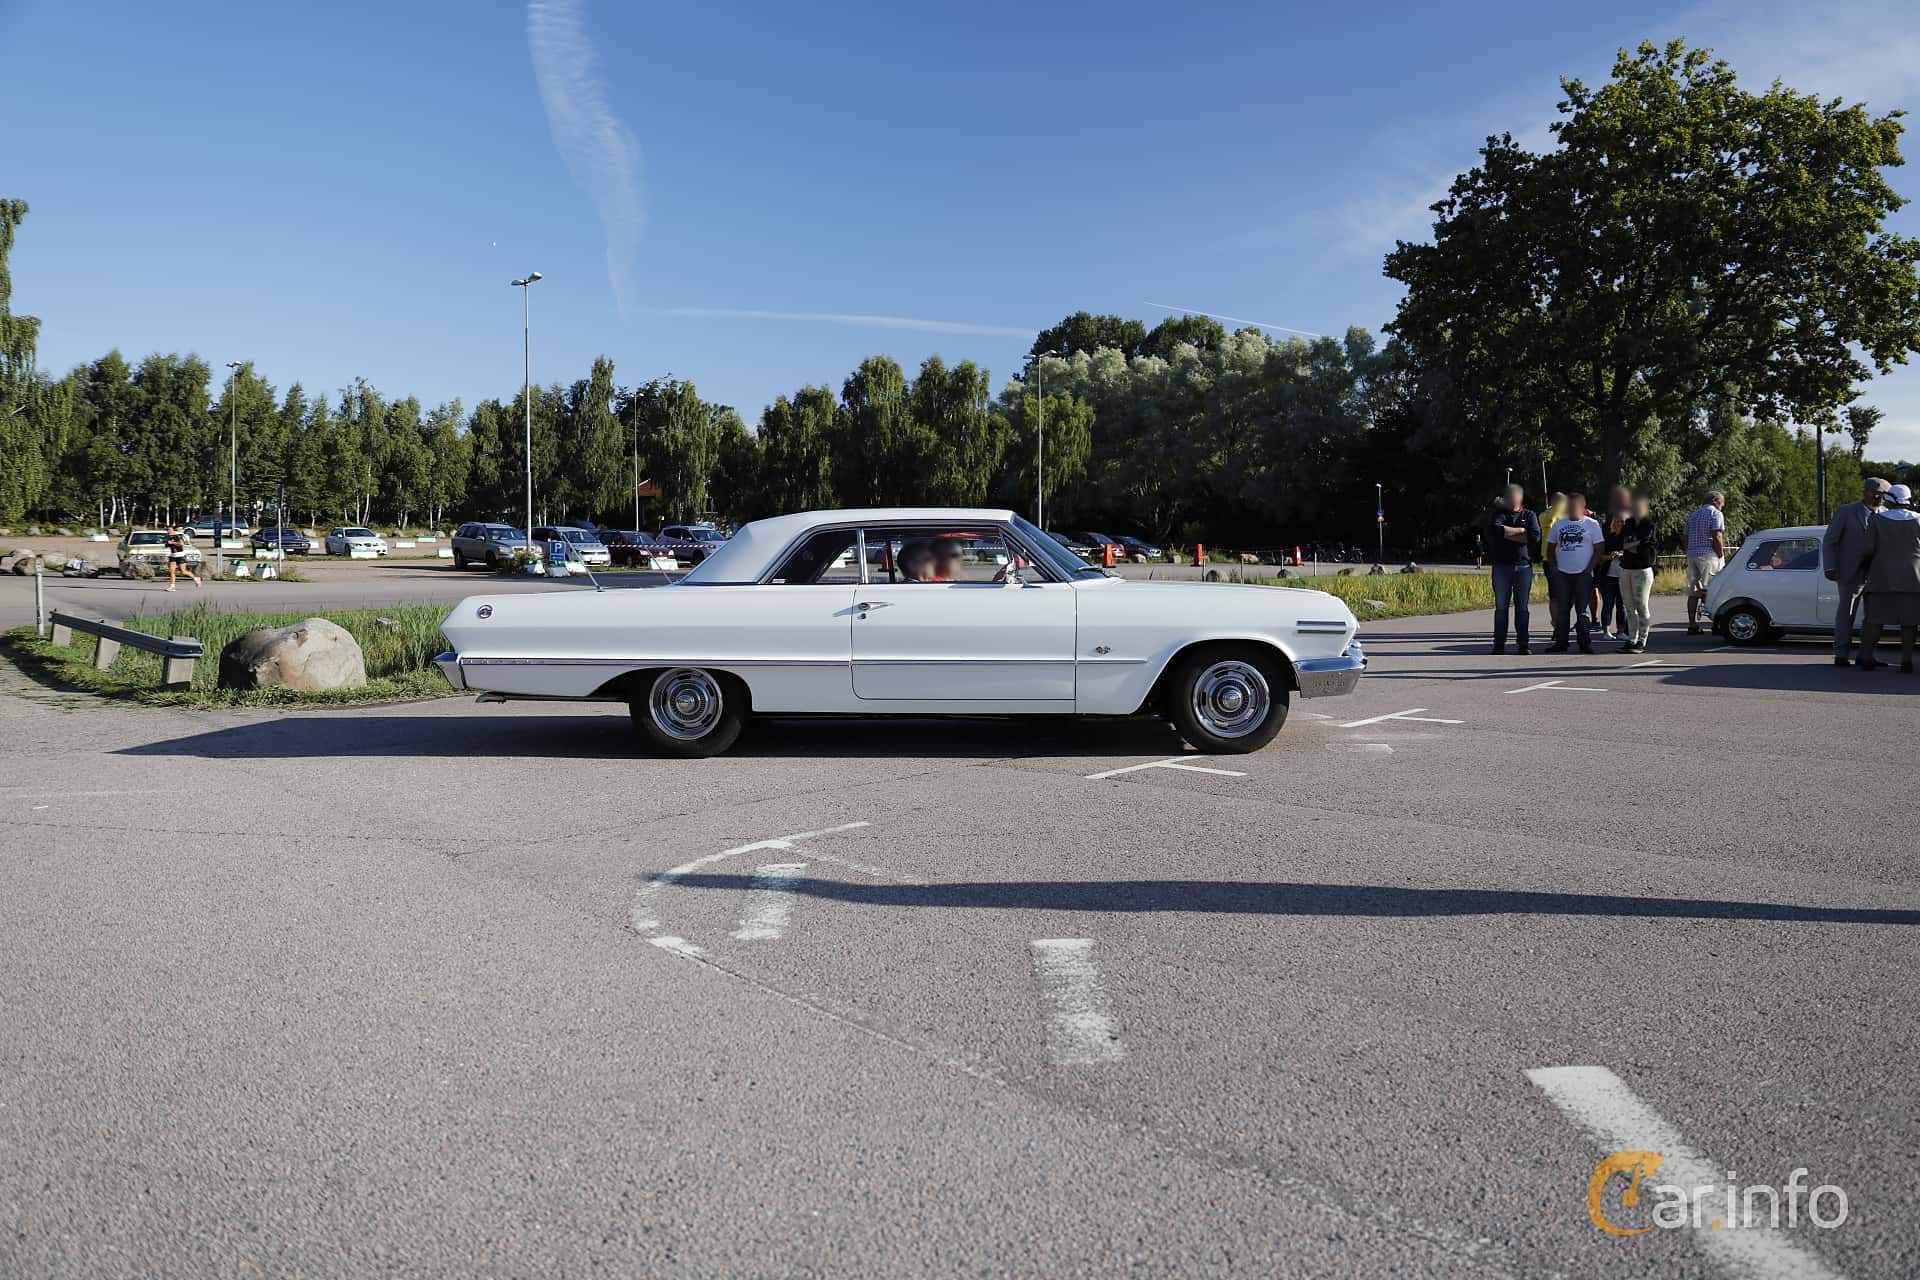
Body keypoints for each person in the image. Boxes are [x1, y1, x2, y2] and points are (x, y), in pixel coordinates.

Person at [1824, 477, 1891, 666]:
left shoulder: (1886, 514)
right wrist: (1830, 566)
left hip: (1877, 574)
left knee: (1874, 617)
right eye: (1875, 493)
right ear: (1865, 492)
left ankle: (1867, 655)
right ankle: (1841, 654)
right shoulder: (1847, 511)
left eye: (1883, 495)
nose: (1879, 497)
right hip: (1849, 572)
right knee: (1847, 613)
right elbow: (1831, 540)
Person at [1855, 484, 1920, 673]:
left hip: (1881, 577)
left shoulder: (1876, 520)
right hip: (1913, 579)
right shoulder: (1918, 521)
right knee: (1909, 623)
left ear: (1889, 500)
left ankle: (1867, 658)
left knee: (1875, 620)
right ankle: (1906, 660)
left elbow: (1868, 549)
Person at [1545, 492, 1605, 653]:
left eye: (1574, 506)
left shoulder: (1592, 524)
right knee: (1563, 609)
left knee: (1582, 610)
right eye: (1568, 506)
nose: (1571, 509)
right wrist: (1554, 567)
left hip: (1583, 574)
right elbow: (1550, 547)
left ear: (1582, 506)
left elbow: (1599, 549)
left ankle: (1584, 643)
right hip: (1562, 574)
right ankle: (1561, 642)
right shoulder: (1559, 524)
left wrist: (1589, 569)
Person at [1485, 484, 1539, 654]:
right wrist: (1521, 532)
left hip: (1523, 566)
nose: (1509, 499)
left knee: (1522, 607)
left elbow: (1534, 536)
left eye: (1512, 496)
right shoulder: (1498, 514)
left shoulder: (1529, 515)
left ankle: (1523, 644)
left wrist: (1510, 532)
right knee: (1501, 607)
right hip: (1502, 566)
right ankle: (1499, 644)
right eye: (1507, 496)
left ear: (1520, 498)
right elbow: (1496, 531)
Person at [1615, 495, 1658, 653]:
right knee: (1629, 606)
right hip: (1626, 568)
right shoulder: (1628, 525)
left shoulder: (1650, 525)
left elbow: (1647, 544)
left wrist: (1632, 546)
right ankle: (1631, 639)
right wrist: (1633, 545)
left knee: (1641, 605)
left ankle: (1642, 640)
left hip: (1642, 569)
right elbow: (1621, 544)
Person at [1683, 490, 1727, 634]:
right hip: (1708, 554)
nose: (1722, 506)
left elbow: (1685, 536)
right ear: (1715, 501)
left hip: (1692, 554)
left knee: (1693, 591)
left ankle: (1692, 624)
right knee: (1712, 589)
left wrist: (1689, 550)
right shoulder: (1715, 514)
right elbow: (1717, 535)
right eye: (1722, 503)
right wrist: (1720, 554)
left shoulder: (1693, 515)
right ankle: (1716, 623)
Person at [1593, 485, 1631, 638]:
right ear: (1613, 523)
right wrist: (1611, 556)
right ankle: (1606, 630)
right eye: (1617, 522)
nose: (1620, 524)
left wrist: (1623, 554)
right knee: (1608, 604)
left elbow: (1634, 554)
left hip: (1624, 574)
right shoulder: (1608, 538)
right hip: (1608, 575)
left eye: (1622, 522)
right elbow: (1600, 556)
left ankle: (1621, 631)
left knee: (1622, 605)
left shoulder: (1629, 538)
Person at [1540, 490, 1569, 642]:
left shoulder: (1569, 516)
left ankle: (1565, 624)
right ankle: (1557, 626)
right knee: (1555, 596)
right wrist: (1556, 509)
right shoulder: (1545, 515)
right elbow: (1550, 522)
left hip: (1568, 559)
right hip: (1551, 560)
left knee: (1569, 595)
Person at [164, 527, 201, 591]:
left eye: (169, 530)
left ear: (173, 530)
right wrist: (167, 544)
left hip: (180, 555)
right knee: (171, 571)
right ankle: (172, 586)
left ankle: (196, 578)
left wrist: (172, 543)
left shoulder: (177, 537)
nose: (168, 531)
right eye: (167, 530)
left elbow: (181, 544)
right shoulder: (168, 537)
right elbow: (167, 545)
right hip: (173, 555)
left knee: (183, 571)